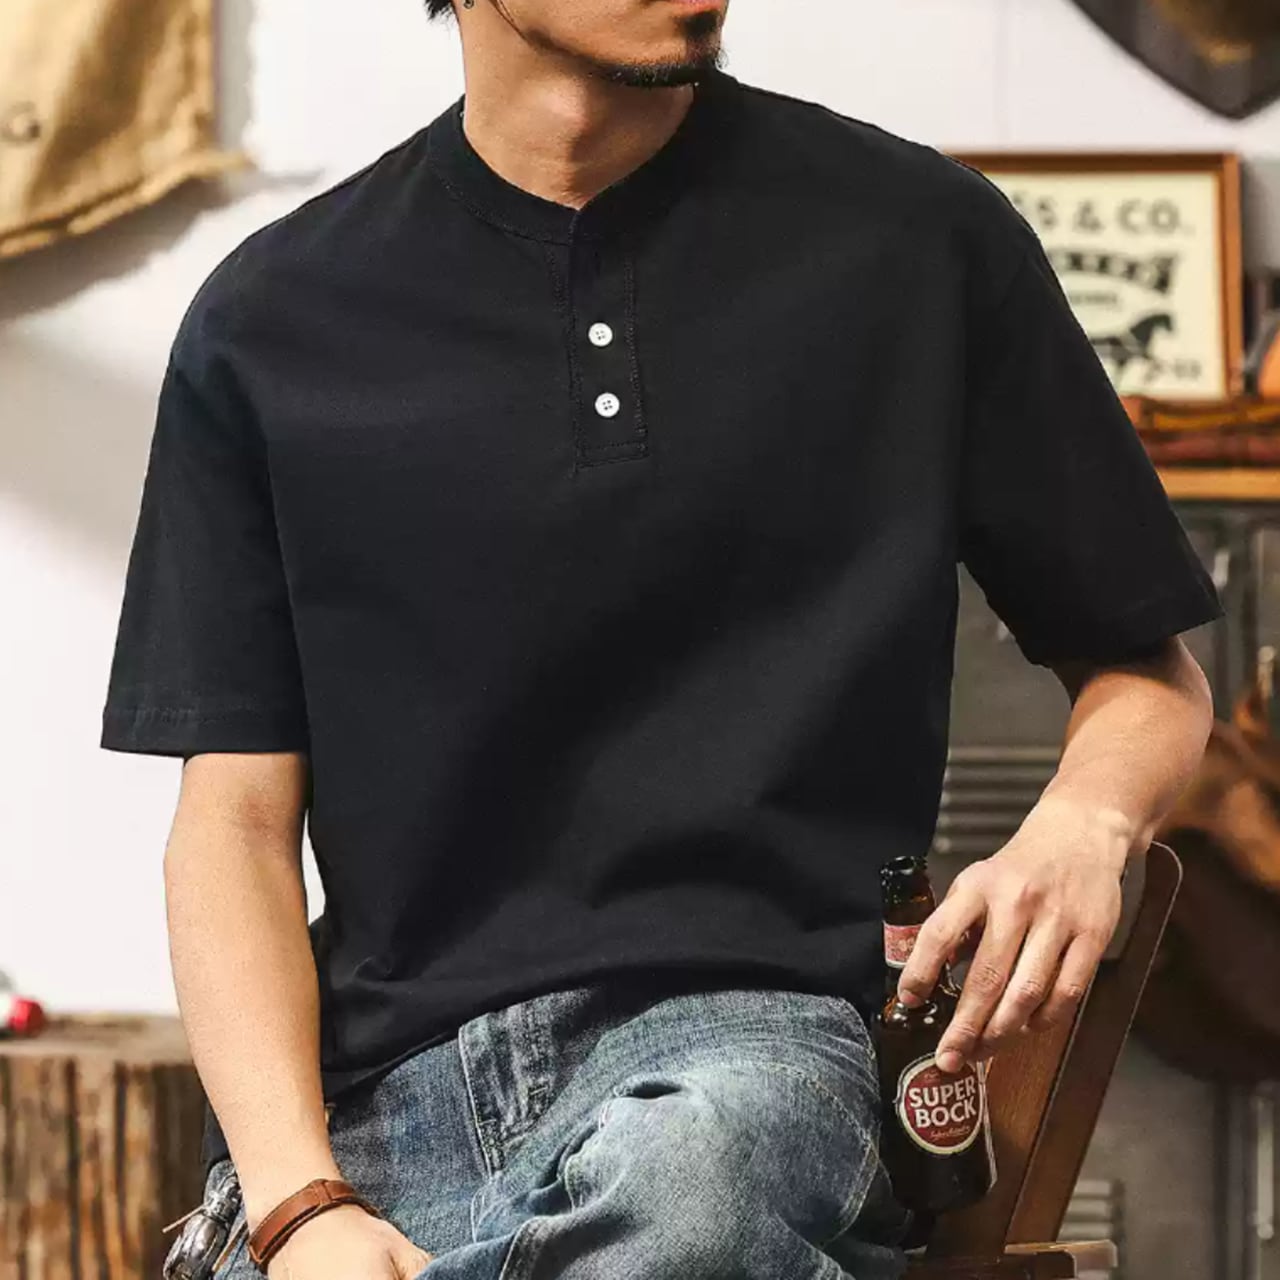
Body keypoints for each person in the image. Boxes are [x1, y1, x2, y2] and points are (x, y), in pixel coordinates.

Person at [100, 1, 1224, 1277]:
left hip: (750, 1054)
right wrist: (299, 1204)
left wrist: (1087, 820)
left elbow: (1147, 672)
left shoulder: (919, 242)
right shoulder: (271, 318)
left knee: (691, 1185)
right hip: (386, 1096)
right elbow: (234, 825)